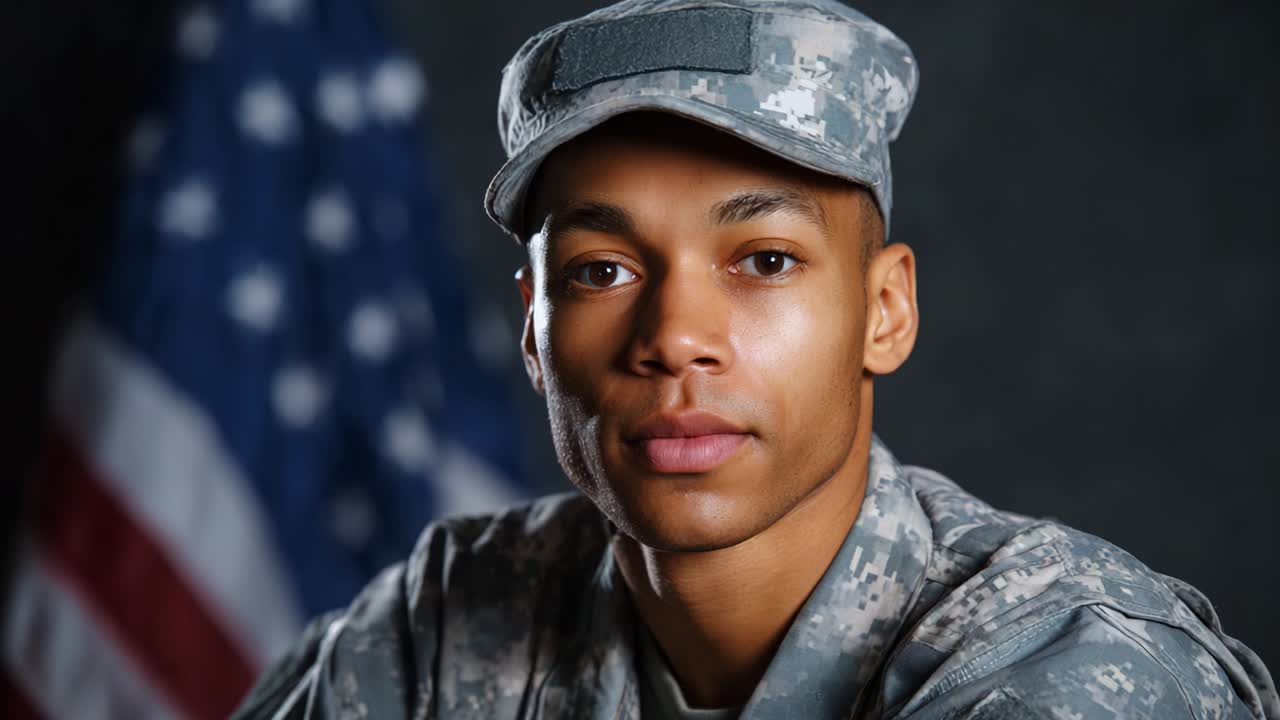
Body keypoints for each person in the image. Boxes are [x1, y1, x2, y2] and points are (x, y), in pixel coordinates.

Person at [234, 1, 1279, 718]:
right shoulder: (446, 623)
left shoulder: (1073, 667)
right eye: (600, 271)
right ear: (532, 334)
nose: (673, 337)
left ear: (883, 310)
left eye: (764, 258)